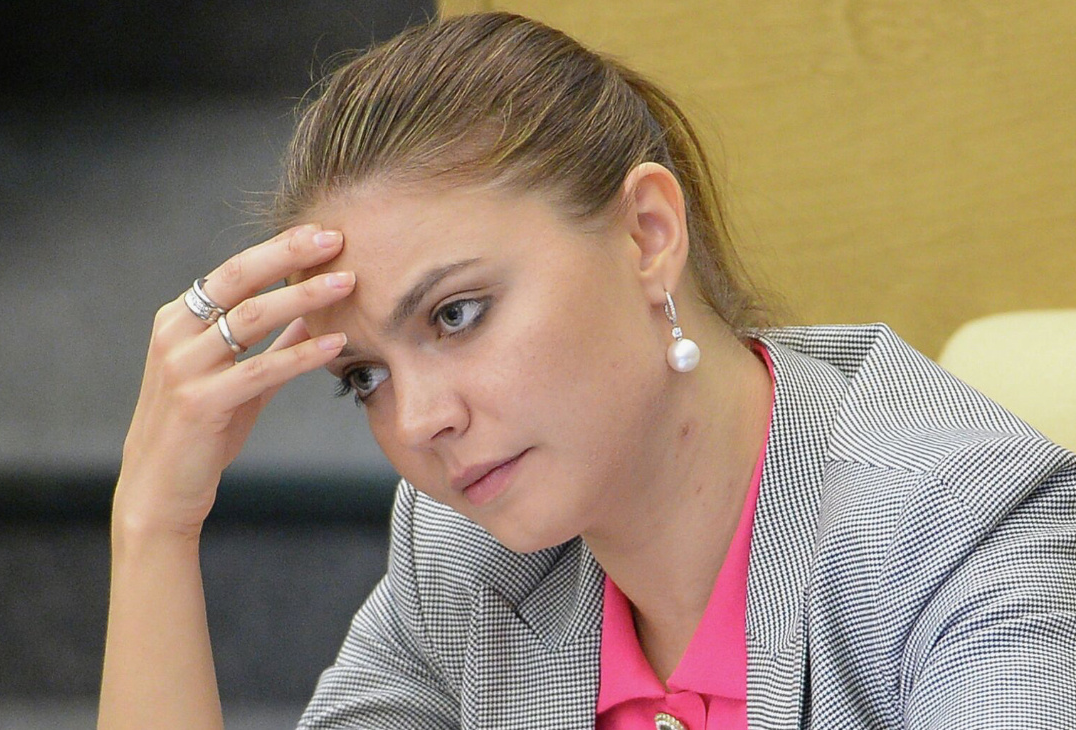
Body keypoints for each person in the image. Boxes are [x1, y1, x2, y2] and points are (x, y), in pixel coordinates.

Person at [97, 11, 1076, 730]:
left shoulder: (963, 534)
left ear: (647, 234)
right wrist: (152, 525)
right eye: (365, 377)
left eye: (457, 314)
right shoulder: (463, 556)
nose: (420, 420)